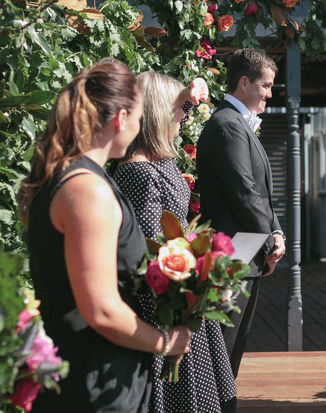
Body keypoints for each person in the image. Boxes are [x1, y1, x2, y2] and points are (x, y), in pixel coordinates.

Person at [17, 58, 191, 412]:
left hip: (91, 372)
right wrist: (164, 342)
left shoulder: (74, 176)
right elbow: (101, 310)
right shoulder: (86, 190)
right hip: (95, 380)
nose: (142, 125)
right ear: (121, 118)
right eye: (140, 116)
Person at [111, 72, 237, 413]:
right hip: (166, 308)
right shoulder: (137, 172)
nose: (185, 114)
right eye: (180, 107)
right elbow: (153, 250)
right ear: (157, 112)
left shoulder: (161, 160)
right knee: (181, 400)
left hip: (184, 295)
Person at [196, 48, 286, 378]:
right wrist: (269, 244)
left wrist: (276, 233)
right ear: (244, 82)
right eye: (266, 85)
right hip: (233, 254)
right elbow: (244, 194)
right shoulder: (227, 126)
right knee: (223, 351)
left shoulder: (236, 124)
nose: (270, 93)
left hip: (246, 250)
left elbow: (258, 193)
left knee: (232, 350)